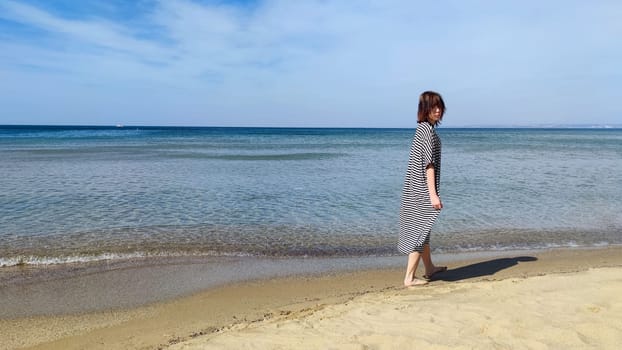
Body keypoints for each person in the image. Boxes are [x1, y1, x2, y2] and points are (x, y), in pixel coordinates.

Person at [398, 91, 448, 287]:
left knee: (424, 231)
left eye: (440, 106)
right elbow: (429, 165)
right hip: (422, 192)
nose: (438, 110)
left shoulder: (422, 129)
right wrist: (433, 195)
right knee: (419, 233)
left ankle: (429, 269)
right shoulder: (427, 131)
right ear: (424, 109)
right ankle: (409, 277)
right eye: (433, 106)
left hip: (415, 189)